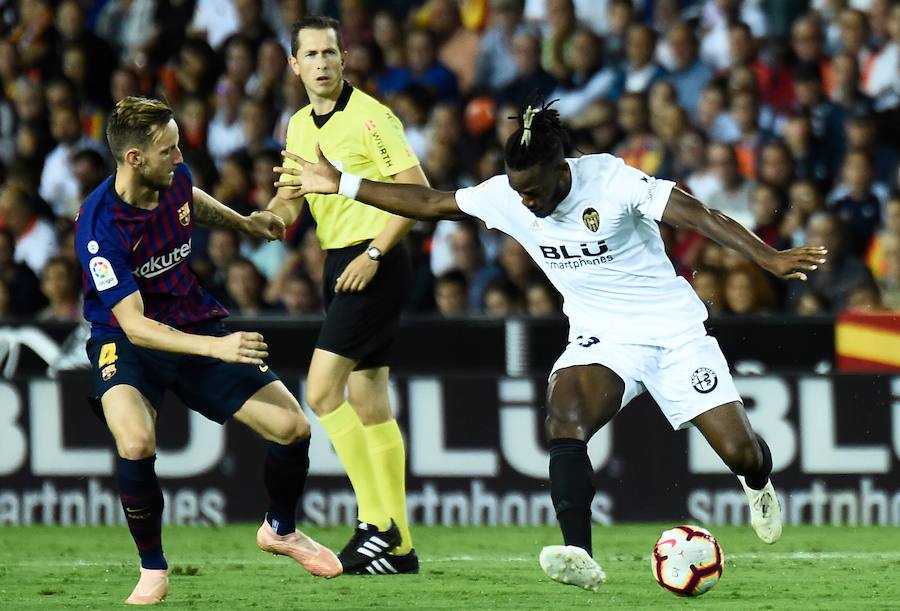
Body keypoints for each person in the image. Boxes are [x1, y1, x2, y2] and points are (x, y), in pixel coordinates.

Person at [276, 104, 828, 592]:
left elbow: (697, 213)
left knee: (741, 451)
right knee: (565, 419)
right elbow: (429, 201)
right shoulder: (510, 196)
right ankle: (579, 552)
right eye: (519, 191)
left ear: (562, 170)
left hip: (675, 332)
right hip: (602, 336)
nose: (527, 202)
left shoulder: (611, 180)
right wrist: (343, 182)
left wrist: (767, 257)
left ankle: (757, 483)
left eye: (536, 190)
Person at [75, 96, 341, 605]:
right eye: (168, 151)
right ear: (134, 159)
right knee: (134, 441)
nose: (180, 158)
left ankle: (280, 530)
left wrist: (245, 222)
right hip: (126, 341)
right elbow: (135, 325)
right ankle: (152, 568)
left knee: (293, 428)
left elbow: (189, 199)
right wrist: (217, 350)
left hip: (191, 320)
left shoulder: (171, 176)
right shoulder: (100, 228)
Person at [265, 16, 429, 575]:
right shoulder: (296, 125)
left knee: (320, 390)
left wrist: (375, 254)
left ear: (343, 57)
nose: (322, 63)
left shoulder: (371, 117)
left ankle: (375, 524)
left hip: (375, 258)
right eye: (310, 54)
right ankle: (399, 547)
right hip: (341, 260)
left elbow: (417, 192)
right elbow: (291, 196)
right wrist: (270, 218)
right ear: (294, 65)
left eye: (330, 52)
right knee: (369, 403)